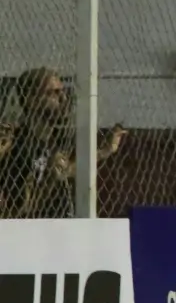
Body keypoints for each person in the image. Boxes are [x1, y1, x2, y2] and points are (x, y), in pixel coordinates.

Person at [0, 66, 125, 218]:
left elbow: (64, 170)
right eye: (53, 93)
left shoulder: (50, 140)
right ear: (31, 100)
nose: (63, 99)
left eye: (62, 91)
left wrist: (105, 151)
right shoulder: (14, 140)